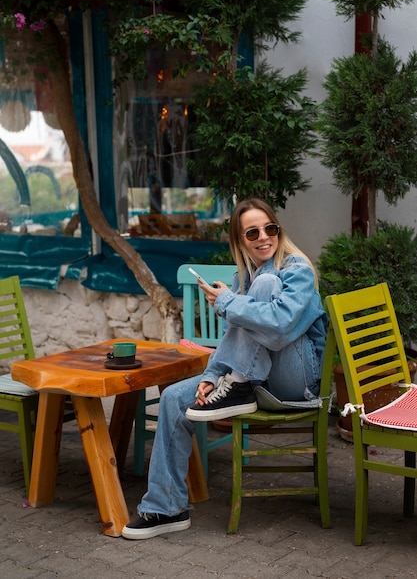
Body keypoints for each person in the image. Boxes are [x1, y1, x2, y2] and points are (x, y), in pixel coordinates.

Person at [122, 198, 328, 540]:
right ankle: (165, 507)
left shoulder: (297, 271)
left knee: (265, 287)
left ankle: (239, 385)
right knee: (174, 398)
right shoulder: (243, 278)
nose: (264, 237)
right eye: (252, 232)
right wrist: (211, 377)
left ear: (278, 231)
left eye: (270, 228)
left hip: (295, 382)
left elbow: (280, 326)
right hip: (251, 379)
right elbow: (234, 339)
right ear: (240, 241)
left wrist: (229, 303)